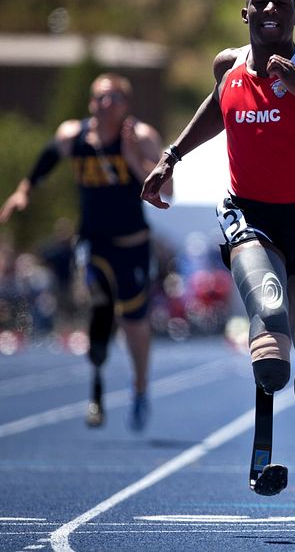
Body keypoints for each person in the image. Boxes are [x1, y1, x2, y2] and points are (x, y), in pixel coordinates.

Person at [140, 0, 295, 495]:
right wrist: (171, 157)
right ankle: (264, 444)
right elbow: (218, 107)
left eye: (283, 0)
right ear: (246, 14)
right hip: (246, 213)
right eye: (260, 1)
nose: (271, 7)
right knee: (269, 320)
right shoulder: (228, 67)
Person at [0, 73, 169, 431]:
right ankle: (97, 377)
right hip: (94, 242)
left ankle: (139, 387)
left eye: (112, 99)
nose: (104, 105)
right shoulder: (73, 136)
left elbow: (167, 191)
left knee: (135, 323)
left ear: (126, 104)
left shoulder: (141, 137)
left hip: (132, 244)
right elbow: (47, 158)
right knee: (100, 305)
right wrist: (24, 189)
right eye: (98, 98)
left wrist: (132, 159)